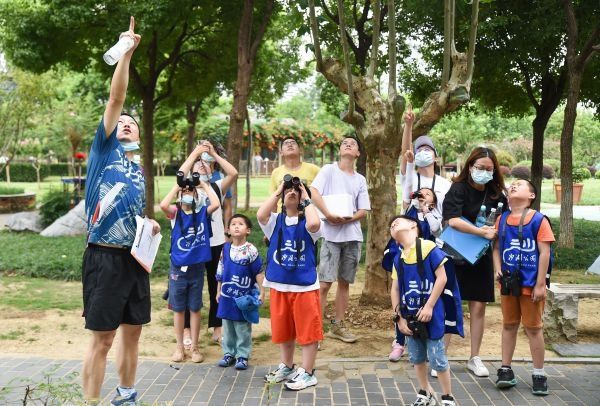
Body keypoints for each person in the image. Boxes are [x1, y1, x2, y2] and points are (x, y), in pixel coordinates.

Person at [82, 17, 160, 405]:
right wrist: (125, 53)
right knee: (103, 339)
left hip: (134, 260)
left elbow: (132, 211)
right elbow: (116, 99)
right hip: (104, 258)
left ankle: (126, 395)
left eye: (132, 124)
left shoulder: (137, 167)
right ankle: (90, 401)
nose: (126, 123)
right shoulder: (103, 151)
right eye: (122, 123)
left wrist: (150, 226)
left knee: (133, 333)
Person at [442, 146, 507, 378]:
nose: (484, 172)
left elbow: (502, 226)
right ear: (470, 167)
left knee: (478, 306)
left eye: (489, 169)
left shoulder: (497, 194)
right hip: (455, 254)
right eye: (480, 168)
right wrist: (481, 232)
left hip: (481, 257)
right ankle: (441, 357)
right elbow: (453, 220)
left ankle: (474, 357)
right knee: (451, 304)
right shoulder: (458, 189)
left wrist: (498, 263)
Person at [257, 179, 323, 391]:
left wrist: (305, 196)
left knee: (307, 330)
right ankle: (287, 366)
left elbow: (314, 224)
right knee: (283, 330)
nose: (292, 193)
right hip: (279, 284)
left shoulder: (309, 220)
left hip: (304, 286)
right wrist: (279, 190)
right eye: (289, 191)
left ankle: (308, 372)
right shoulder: (275, 221)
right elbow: (260, 215)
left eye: (296, 190)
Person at [493, 178, 554, 396]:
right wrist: (497, 268)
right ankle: (505, 369)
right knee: (509, 325)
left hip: (530, 284)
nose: (513, 185)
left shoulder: (538, 220)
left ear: (531, 195)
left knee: (533, 328)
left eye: (519, 183)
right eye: (512, 184)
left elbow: (545, 253)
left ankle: (539, 373)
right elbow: (496, 247)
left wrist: (540, 284)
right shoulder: (501, 219)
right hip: (509, 283)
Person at [390, 215, 457, 406]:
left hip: (432, 314)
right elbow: (395, 289)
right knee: (417, 358)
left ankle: (447, 397)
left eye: (398, 221)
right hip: (410, 316)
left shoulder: (428, 247)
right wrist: (399, 318)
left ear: (413, 226)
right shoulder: (399, 258)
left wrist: (429, 306)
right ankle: (424, 393)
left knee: (438, 358)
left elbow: (442, 278)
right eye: (391, 226)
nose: (393, 224)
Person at [310, 136, 370, 344]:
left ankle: (338, 324)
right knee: (325, 283)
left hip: (352, 236)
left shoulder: (360, 179)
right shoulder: (328, 170)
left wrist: (347, 219)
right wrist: (329, 214)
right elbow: (314, 193)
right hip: (330, 235)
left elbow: (363, 210)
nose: (348, 144)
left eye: (353, 143)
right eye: (344, 142)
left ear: (358, 153)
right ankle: (315, 329)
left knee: (344, 282)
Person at [178, 141, 238, 343]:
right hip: (193, 245)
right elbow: (181, 171)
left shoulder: (216, 186)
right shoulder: (186, 188)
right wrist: (195, 153)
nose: (201, 166)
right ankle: (186, 329)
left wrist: (213, 153)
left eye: (206, 164)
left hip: (216, 242)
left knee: (216, 285)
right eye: (198, 164)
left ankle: (217, 326)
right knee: (189, 286)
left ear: (212, 168)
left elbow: (233, 173)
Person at [159, 174, 220, 363]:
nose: (187, 193)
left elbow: (216, 204)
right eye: (184, 192)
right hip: (178, 268)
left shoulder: (202, 213)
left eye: (190, 191)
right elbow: (163, 205)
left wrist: (201, 184)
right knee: (178, 309)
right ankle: (179, 346)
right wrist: (178, 188)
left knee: (195, 308)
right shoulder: (175, 214)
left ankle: (194, 346)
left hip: (196, 268)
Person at [216, 214, 264, 370]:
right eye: (233, 224)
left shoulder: (251, 250)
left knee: (242, 327)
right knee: (227, 325)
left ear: (248, 230)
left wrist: (262, 291)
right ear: (228, 230)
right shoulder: (225, 249)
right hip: (226, 295)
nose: (236, 226)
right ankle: (228, 353)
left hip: (243, 297)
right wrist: (218, 291)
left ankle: (242, 355)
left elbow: (258, 271)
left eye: (241, 224)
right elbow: (220, 272)